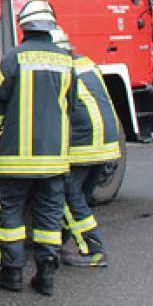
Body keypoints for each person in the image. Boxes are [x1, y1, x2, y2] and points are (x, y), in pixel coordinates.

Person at [0, 0, 75, 296]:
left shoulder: (12, 59)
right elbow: (70, 107)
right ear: (50, 26)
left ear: (23, 27)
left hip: (16, 160)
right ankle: (45, 277)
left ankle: (12, 274)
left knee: (11, 216)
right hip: (54, 161)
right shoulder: (67, 62)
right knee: (48, 217)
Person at [50, 26, 119, 267]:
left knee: (69, 196)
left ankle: (93, 250)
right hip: (108, 141)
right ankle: (57, 244)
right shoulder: (86, 63)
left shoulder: (58, 70)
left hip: (84, 143)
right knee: (80, 198)